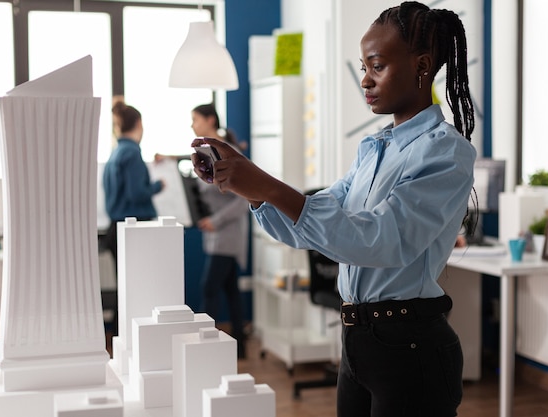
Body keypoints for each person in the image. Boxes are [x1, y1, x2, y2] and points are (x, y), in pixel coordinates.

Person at [192, 2, 476, 415]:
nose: (365, 79)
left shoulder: (446, 153)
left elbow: (380, 240)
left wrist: (266, 184)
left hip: (410, 348)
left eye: (377, 66)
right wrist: (250, 188)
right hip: (359, 344)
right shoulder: (373, 148)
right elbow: (309, 223)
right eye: (363, 66)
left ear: (422, 65)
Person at [184, 104, 250, 359]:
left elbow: (243, 198)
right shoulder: (206, 151)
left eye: (195, 119)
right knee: (231, 290)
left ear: (210, 120)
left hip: (228, 233)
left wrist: (217, 220)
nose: (192, 125)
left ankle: (206, 347)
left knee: (209, 288)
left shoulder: (226, 151)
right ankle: (240, 344)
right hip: (218, 233)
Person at [103, 100, 165, 267]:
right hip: (135, 230)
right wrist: (158, 186)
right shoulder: (132, 153)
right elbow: (137, 194)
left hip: (117, 228)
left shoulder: (116, 153)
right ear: (139, 123)